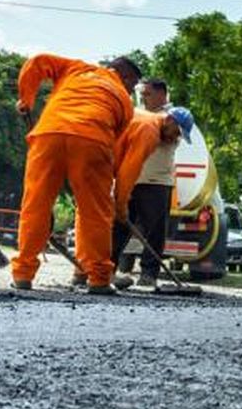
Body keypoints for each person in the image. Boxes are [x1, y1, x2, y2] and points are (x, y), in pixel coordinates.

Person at [11, 55, 140, 294]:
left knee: (35, 205)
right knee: (95, 212)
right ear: (126, 77)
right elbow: (115, 142)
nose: (131, 91)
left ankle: (23, 274)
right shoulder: (124, 101)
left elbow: (37, 62)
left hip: (49, 133)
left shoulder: (76, 68)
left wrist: (26, 99)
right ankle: (99, 278)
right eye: (133, 85)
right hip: (93, 140)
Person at [111, 106, 195, 287]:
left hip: (158, 185)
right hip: (133, 181)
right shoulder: (148, 127)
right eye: (177, 131)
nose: (177, 137)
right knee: (119, 227)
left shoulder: (168, 135)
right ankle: (107, 269)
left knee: (156, 231)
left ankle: (149, 274)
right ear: (171, 121)